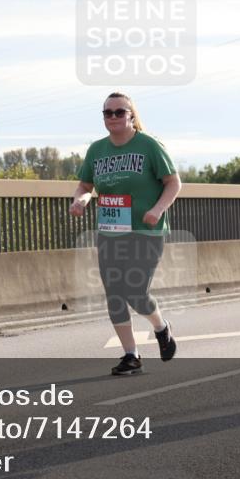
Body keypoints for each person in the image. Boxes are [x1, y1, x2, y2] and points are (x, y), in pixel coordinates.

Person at [69, 93, 182, 375]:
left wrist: (157, 209)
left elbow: (173, 183)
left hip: (146, 231)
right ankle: (131, 355)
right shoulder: (97, 150)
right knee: (115, 295)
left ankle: (161, 327)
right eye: (108, 113)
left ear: (131, 115)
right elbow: (85, 186)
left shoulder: (149, 145)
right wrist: (80, 200)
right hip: (110, 232)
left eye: (120, 112)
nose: (114, 117)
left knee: (136, 291)